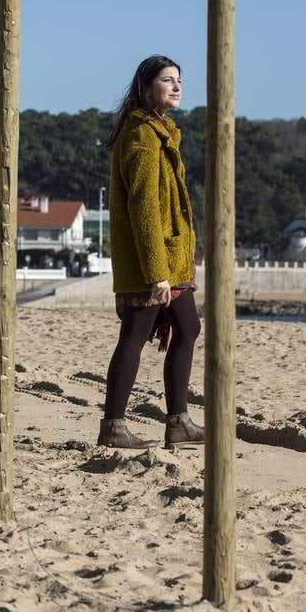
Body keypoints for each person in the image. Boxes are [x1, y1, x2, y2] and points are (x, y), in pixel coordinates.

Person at [98, 55, 205, 449]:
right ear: (145, 88)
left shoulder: (160, 130)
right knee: (134, 336)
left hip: (171, 259)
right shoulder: (141, 134)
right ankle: (113, 426)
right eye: (166, 80)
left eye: (179, 80)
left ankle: (178, 421)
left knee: (189, 327)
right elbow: (144, 206)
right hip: (152, 262)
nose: (176, 87)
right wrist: (157, 271)